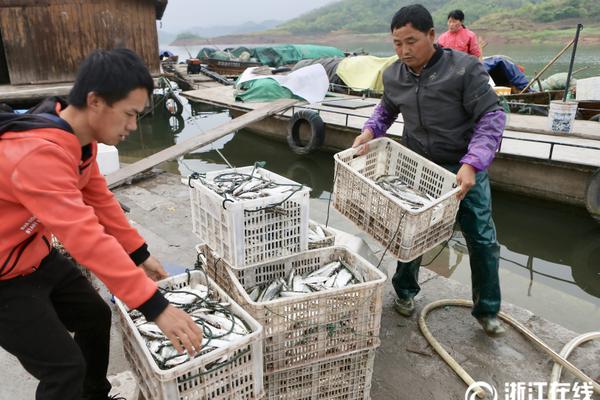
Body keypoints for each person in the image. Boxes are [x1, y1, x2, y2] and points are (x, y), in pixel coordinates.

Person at [0, 48, 203, 400]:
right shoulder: (38, 155)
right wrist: (155, 306)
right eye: (129, 114)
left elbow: (100, 200)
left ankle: (94, 395)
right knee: (63, 369)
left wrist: (139, 253)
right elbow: (84, 237)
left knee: (94, 316)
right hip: (3, 278)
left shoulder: (79, 142)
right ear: (95, 101)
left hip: (32, 253)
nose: (132, 126)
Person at [352, 5, 507, 336]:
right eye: (397, 43)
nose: (404, 50)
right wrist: (369, 131)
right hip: (417, 163)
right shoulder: (394, 74)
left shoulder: (464, 70)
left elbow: (492, 117)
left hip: (463, 166)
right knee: (412, 233)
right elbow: (386, 110)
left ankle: (487, 310)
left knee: (481, 237)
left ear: (432, 36)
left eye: (411, 41)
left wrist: (472, 163)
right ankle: (406, 293)